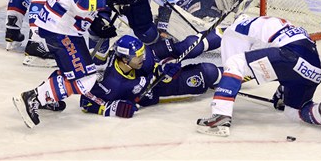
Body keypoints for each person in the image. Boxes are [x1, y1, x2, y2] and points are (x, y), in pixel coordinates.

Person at [12, 0, 125, 128]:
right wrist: (105, 0)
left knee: (73, 70)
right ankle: (33, 97)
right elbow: (79, 2)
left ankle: (49, 95)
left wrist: (97, 19)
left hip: (57, 24)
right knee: (86, 79)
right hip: (61, 29)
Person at [196, 15, 321, 137]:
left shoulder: (235, 29)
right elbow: (279, 66)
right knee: (294, 112)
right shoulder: (277, 23)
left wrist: (225, 85)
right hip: (313, 70)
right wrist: (283, 90)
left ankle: (220, 115)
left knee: (235, 63)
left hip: (290, 55)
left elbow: (235, 66)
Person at [79, 34, 222, 118]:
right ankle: (229, 74)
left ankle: (229, 33)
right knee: (209, 72)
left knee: (193, 44)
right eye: (137, 56)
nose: (142, 57)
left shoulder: (140, 59)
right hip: (155, 89)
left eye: (142, 53)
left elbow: (152, 63)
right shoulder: (111, 83)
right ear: (124, 59)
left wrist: (164, 66)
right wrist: (114, 109)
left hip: (154, 63)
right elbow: (86, 102)